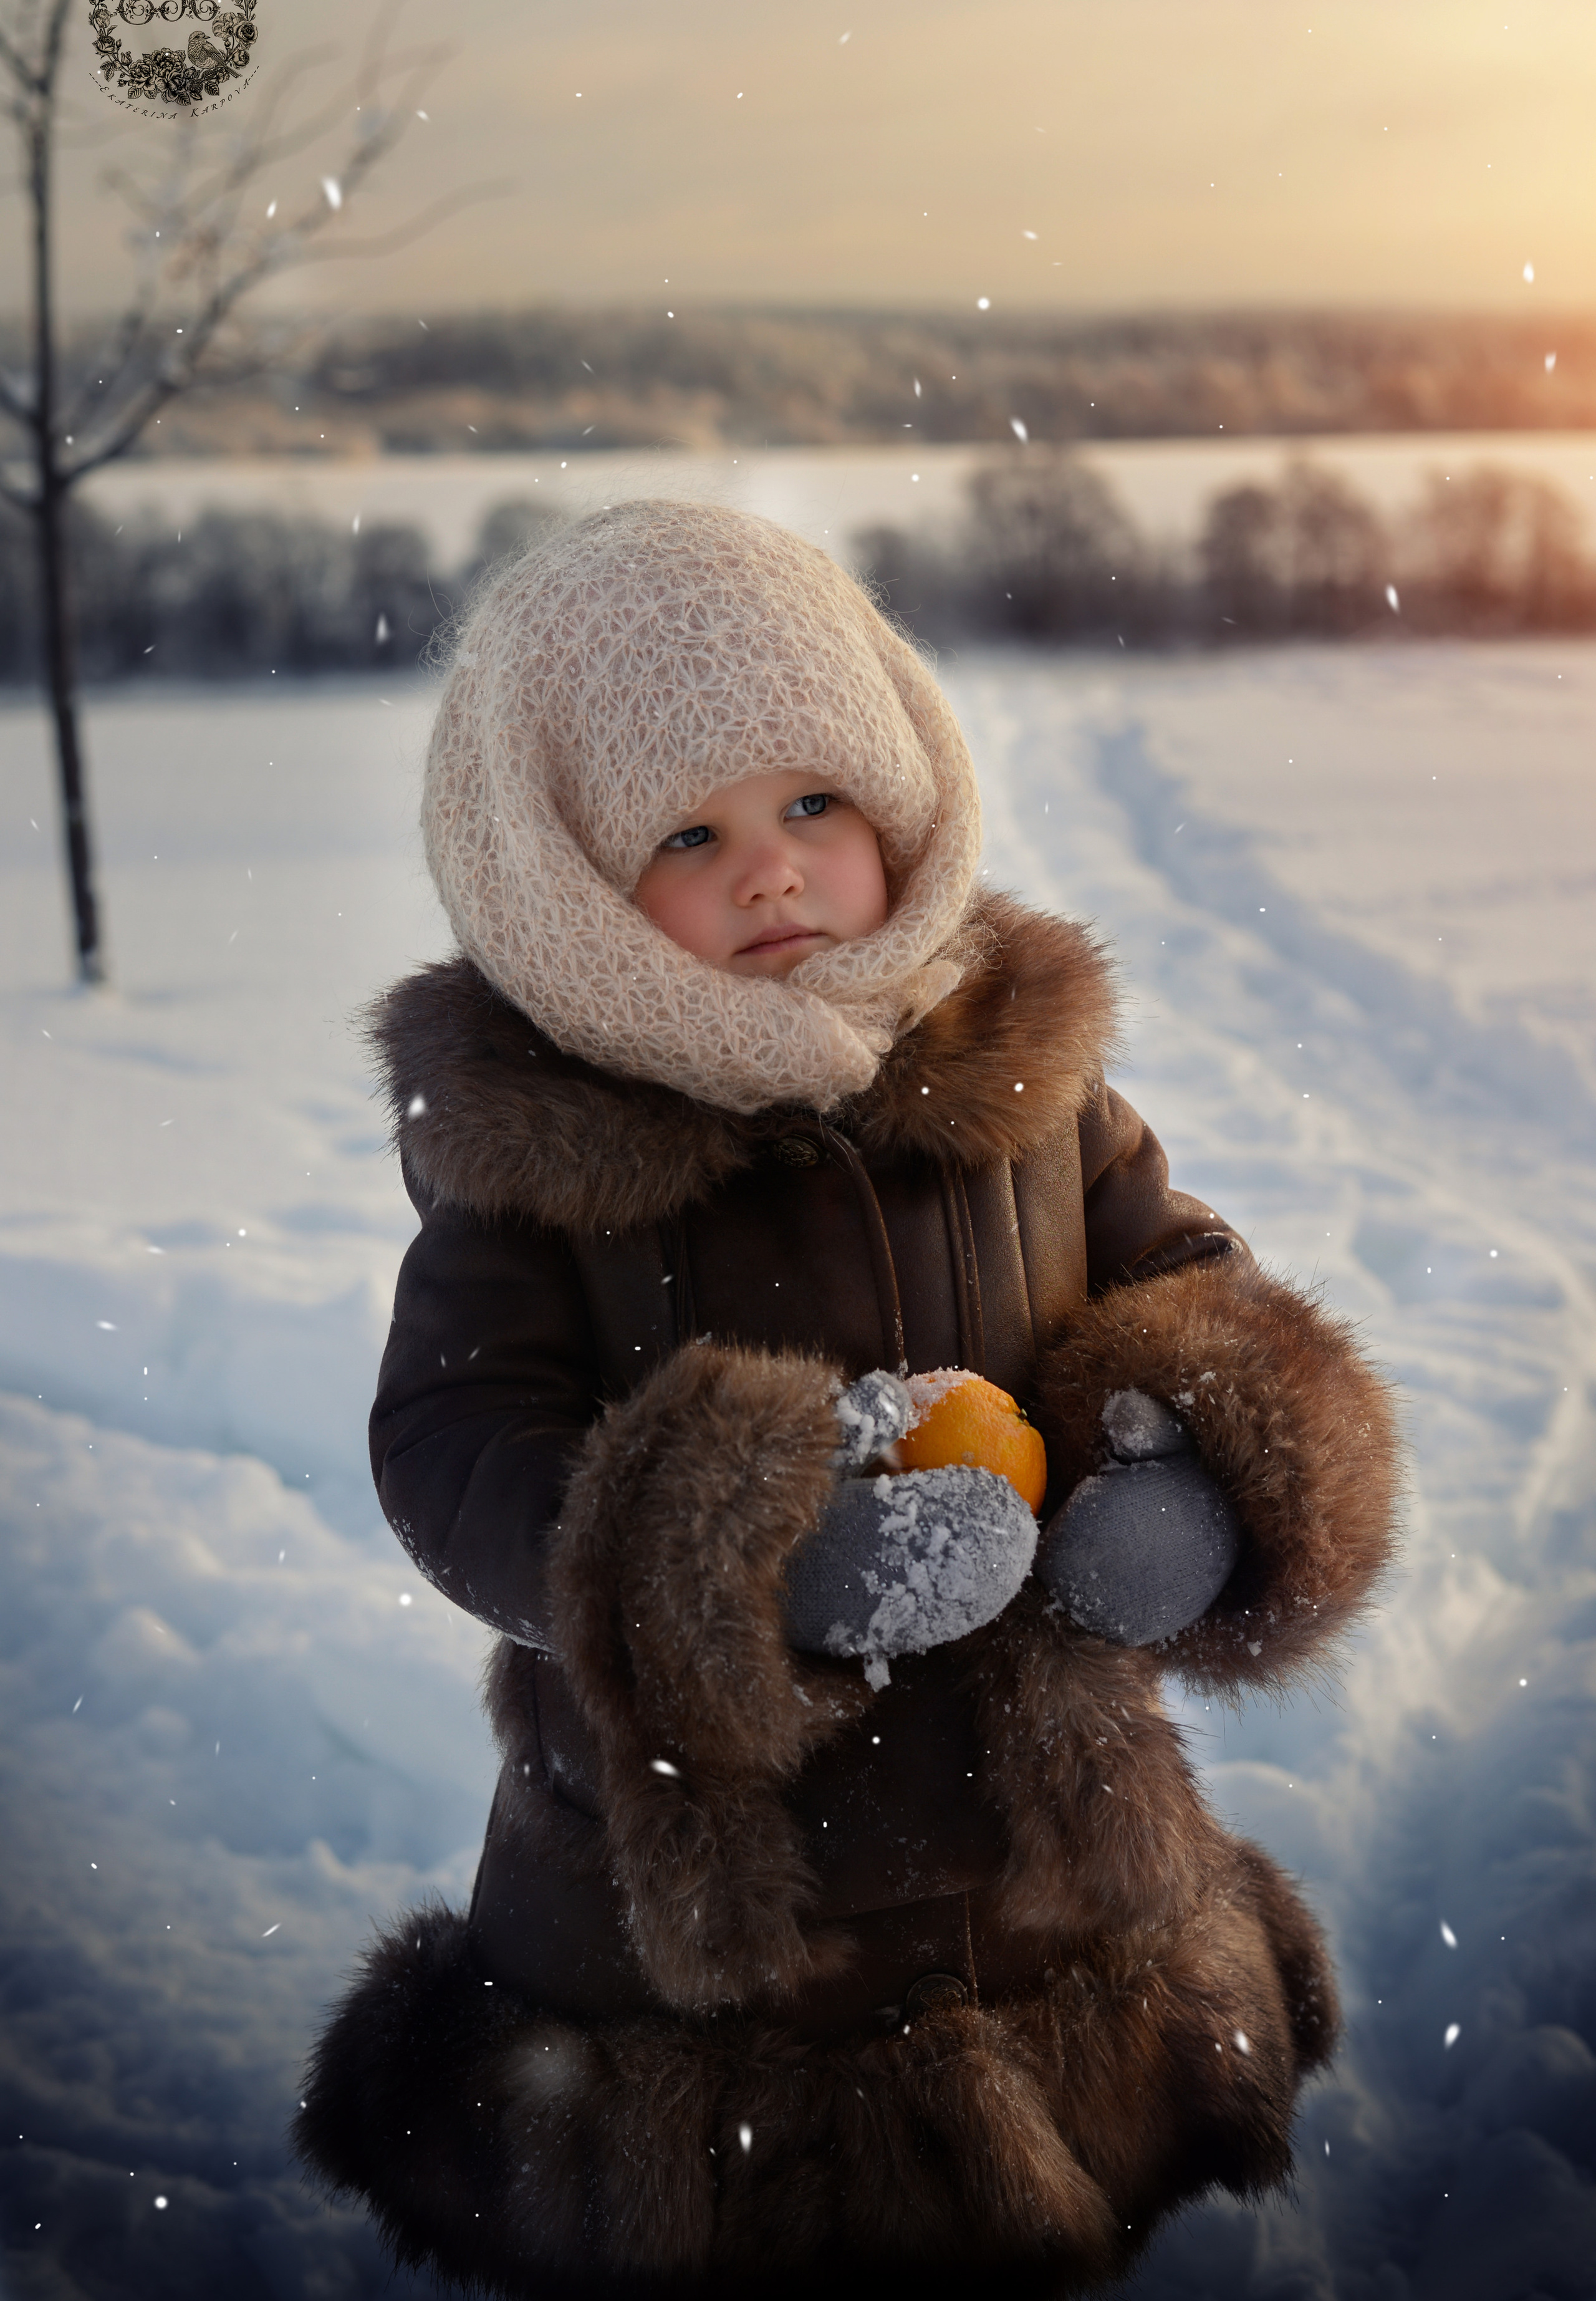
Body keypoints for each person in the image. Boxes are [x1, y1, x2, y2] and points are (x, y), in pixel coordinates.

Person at [295, 499, 1400, 2295]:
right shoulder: (541, 1163)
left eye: (814, 802)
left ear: (897, 791)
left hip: (1062, 1896)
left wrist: (1193, 1477)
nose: (775, 870)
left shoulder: (1014, 1070)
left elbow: (1182, 1272)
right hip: (708, 1956)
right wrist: (736, 1561)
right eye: (689, 832)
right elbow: (452, 1443)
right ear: (565, 880)